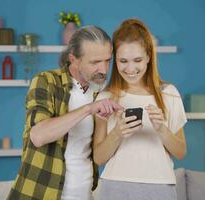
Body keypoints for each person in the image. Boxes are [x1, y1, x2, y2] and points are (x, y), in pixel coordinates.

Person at [7, 26, 123, 200]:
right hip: (39, 195)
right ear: (73, 59)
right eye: (95, 62)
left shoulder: (102, 92)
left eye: (107, 60)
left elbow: (101, 154)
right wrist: (87, 109)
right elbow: (38, 135)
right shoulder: (46, 81)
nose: (104, 69)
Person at [93, 18, 187, 200]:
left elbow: (181, 152)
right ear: (115, 60)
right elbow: (99, 158)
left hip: (160, 187)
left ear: (149, 57)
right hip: (115, 187)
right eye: (123, 61)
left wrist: (162, 129)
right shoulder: (106, 97)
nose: (130, 68)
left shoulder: (169, 94)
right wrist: (117, 133)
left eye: (137, 60)